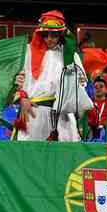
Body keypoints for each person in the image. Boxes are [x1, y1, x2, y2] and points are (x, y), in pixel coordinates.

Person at [16, 10, 86, 141]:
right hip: (35, 110)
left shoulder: (71, 56)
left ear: (61, 35)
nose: (49, 39)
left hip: (63, 114)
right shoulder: (27, 53)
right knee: (32, 155)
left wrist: (79, 83)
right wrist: (22, 98)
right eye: (45, 35)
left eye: (54, 35)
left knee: (65, 155)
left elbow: (81, 85)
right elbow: (17, 81)